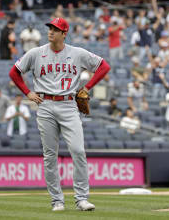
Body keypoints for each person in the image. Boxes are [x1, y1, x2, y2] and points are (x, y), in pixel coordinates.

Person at [9, 17, 110, 211]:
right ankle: (57, 200)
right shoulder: (36, 53)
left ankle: (81, 198)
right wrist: (27, 92)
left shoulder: (77, 53)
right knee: (50, 156)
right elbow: (14, 72)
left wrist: (87, 87)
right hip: (45, 105)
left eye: (55, 29)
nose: (51, 31)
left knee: (78, 151)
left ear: (64, 33)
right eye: (50, 28)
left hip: (69, 105)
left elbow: (104, 66)